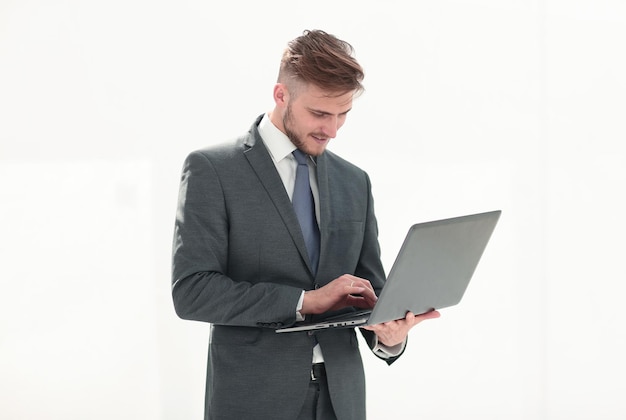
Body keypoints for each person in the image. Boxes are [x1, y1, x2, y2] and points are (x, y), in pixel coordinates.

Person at [171, 29, 440, 420]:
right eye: (320, 114)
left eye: (343, 115)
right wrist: (303, 302)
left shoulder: (354, 181)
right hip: (253, 398)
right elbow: (192, 291)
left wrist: (389, 335)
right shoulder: (213, 170)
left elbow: (369, 290)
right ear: (281, 95)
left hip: (340, 399)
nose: (332, 130)